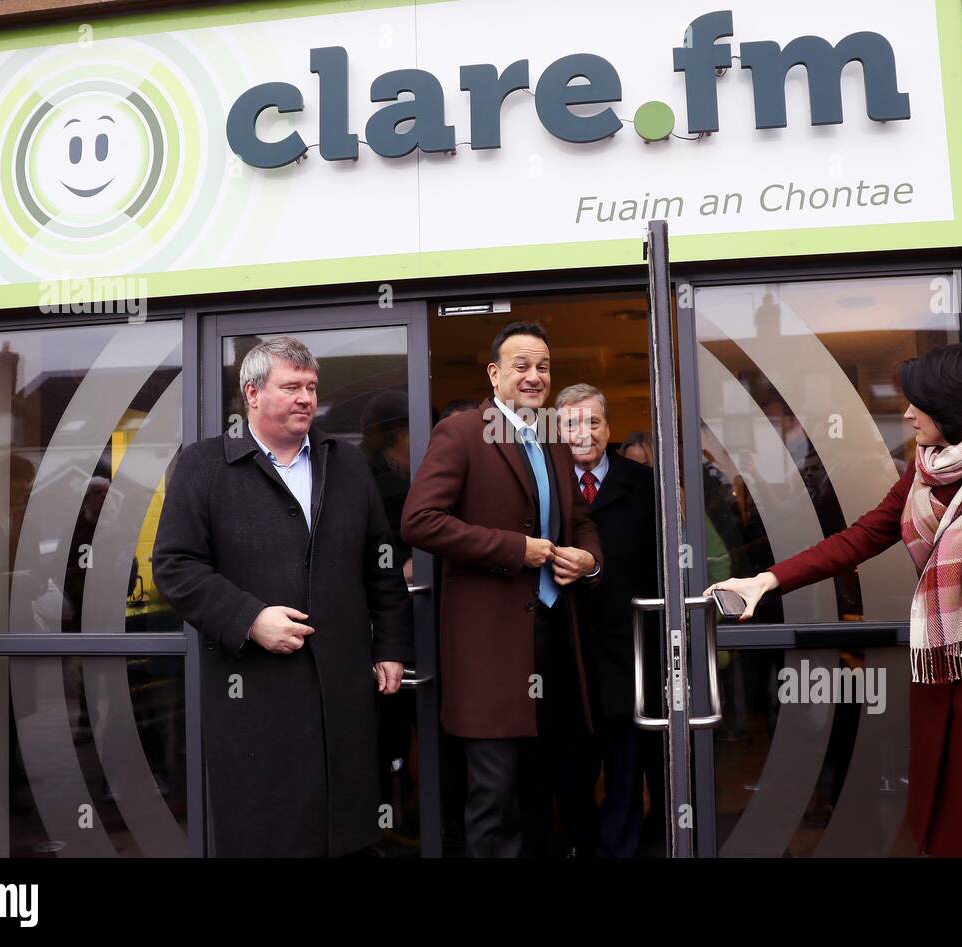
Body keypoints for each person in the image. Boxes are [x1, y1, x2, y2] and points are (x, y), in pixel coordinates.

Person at [706, 343, 962, 857]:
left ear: (953, 404)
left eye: (918, 402)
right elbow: (857, 539)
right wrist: (766, 580)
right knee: (940, 800)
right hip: (939, 664)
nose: (908, 413)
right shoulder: (921, 476)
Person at [153, 336, 413, 857]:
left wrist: (389, 646)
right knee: (267, 833)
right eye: (290, 387)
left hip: (342, 688)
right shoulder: (204, 466)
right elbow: (175, 566)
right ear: (251, 393)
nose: (305, 398)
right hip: (253, 692)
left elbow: (379, 562)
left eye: (311, 387)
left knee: (348, 831)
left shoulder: (346, 464)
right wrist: (249, 618)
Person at [402, 320, 603, 857]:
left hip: (554, 639)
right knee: (495, 797)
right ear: (494, 374)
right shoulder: (464, 432)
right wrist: (518, 550)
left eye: (543, 366)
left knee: (543, 788)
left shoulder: (556, 437)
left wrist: (588, 559)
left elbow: (580, 521)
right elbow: (419, 521)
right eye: (522, 366)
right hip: (489, 653)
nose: (535, 376)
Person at [555, 383, 664, 857]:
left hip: (630, 651)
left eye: (593, 422)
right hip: (563, 654)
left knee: (626, 769)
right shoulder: (543, 483)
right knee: (570, 771)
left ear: (609, 428)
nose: (584, 432)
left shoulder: (643, 484)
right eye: (572, 423)